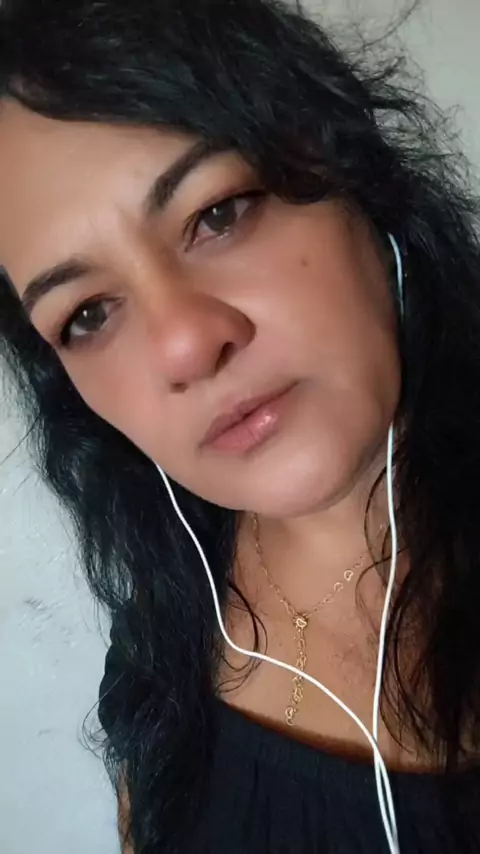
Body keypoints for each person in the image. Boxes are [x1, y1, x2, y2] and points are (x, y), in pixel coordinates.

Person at [1, 0, 480, 851]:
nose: (183, 345)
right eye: (88, 314)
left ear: (353, 177)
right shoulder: (164, 619)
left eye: (218, 214)